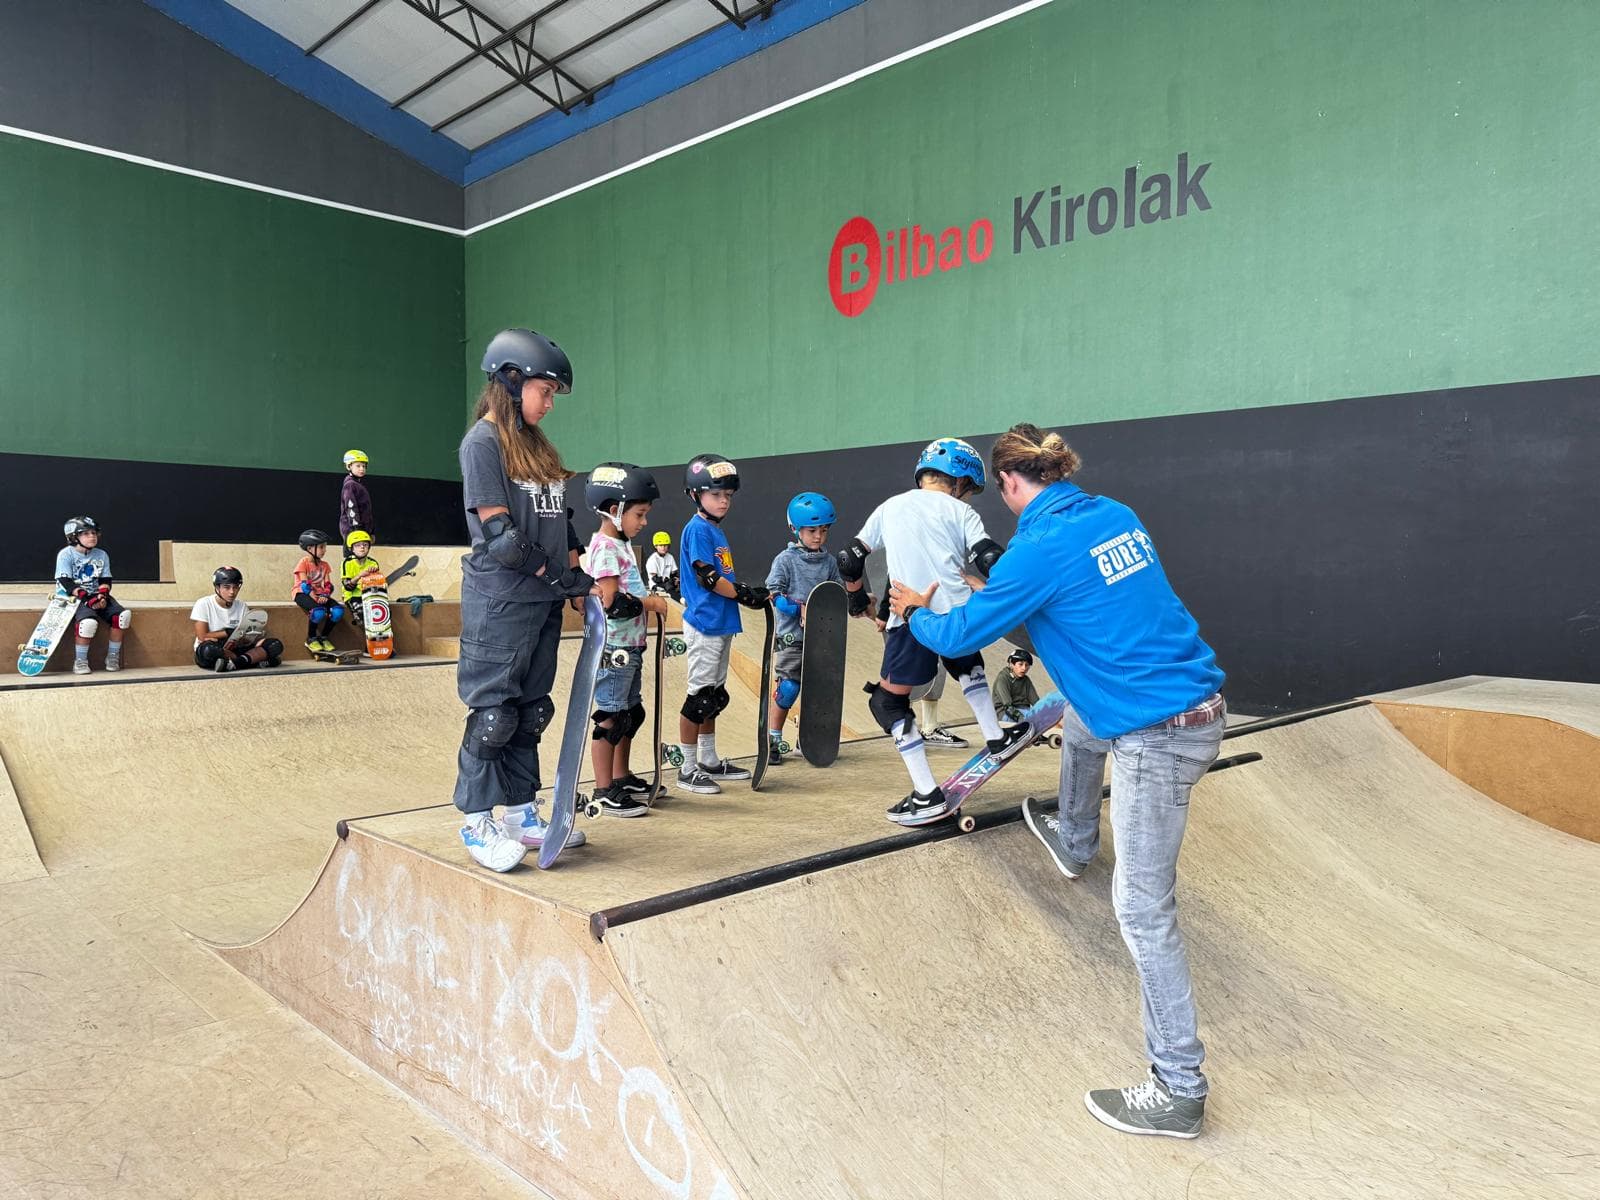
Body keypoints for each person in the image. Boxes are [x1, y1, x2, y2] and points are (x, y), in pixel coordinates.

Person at [888, 422, 1226, 1140]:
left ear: (1010, 483)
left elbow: (958, 636)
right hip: (1196, 704)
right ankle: (1073, 837)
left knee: (1142, 910)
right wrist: (1000, 589)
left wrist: (914, 609)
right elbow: (1069, 604)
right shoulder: (1114, 515)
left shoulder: (1036, 550)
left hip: (1156, 738)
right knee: (1076, 715)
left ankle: (1179, 1088)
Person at [453, 328, 595, 872]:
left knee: (530, 711)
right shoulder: (482, 443)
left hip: (541, 601)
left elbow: (561, 519)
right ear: (512, 381)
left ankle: (518, 812)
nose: (550, 402)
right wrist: (560, 578)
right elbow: (502, 538)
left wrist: (576, 573)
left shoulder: (535, 445)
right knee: (493, 714)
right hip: (501, 601)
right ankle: (476, 822)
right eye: (546, 390)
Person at [839, 438, 1024, 824]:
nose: (967, 497)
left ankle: (927, 793)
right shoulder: (962, 511)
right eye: (969, 490)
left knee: (887, 704)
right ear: (960, 481)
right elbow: (990, 557)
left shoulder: (890, 507)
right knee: (966, 662)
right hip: (959, 614)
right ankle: (996, 737)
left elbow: (850, 558)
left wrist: (856, 599)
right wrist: (1009, 593)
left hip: (910, 619)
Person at [676, 452, 769, 794]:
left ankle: (708, 759)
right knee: (699, 697)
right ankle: (687, 768)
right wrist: (743, 594)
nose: (724, 501)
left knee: (714, 697)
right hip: (705, 621)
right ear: (695, 495)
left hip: (721, 621)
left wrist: (745, 593)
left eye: (727, 495)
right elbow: (708, 577)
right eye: (716, 494)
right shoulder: (698, 529)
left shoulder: (713, 529)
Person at [585, 462, 671, 816]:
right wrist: (651, 603)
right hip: (615, 648)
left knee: (629, 714)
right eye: (640, 514)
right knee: (610, 717)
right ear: (614, 510)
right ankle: (603, 788)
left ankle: (621, 777)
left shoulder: (620, 544)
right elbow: (612, 602)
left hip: (631, 645)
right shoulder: (605, 547)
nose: (644, 522)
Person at [763, 492, 844, 764]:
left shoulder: (829, 562)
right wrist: (800, 609)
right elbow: (774, 594)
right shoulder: (785, 560)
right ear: (796, 529)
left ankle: (807, 737)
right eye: (812, 531)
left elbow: (837, 593)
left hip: (822, 640)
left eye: (824, 530)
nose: (818, 537)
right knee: (788, 688)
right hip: (792, 638)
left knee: (819, 691)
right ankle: (773, 739)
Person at [56, 516, 131, 674]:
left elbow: (105, 580)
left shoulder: (101, 555)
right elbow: (66, 583)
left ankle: (112, 657)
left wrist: (102, 596)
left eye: (94, 533)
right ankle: (80, 661)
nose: (92, 536)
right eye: (86, 533)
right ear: (73, 537)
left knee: (122, 617)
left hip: (95, 594)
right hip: (74, 597)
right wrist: (88, 600)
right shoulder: (66, 554)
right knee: (87, 624)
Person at [192, 566, 283, 671]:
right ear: (217, 587)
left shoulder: (241, 606)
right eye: (227, 587)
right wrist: (228, 632)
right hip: (217, 648)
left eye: (235, 587)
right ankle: (250, 661)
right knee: (208, 650)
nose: (232, 592)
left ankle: (234, 664)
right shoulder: (203, 604)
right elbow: (202, 636)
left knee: (275, 645)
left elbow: (246, 639)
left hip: (237, 647)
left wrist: (252, 637)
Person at [291, 529, 343, 653]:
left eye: (325, 547)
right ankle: (311, 638)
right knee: (318, 612)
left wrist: (325, 594)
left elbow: (328, 585)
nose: (324, 550)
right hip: (301, 593)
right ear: (309, 548)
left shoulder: (325, 565)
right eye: (321, 547)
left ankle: (323, 637)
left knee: (338, 611)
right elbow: (305, 585)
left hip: (319, 594)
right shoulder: (303, 563)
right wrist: (315, 598)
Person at [340, 529, 383, 626]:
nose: (362, 548)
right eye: (357, 545)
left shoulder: (373, 563)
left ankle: (380, 634)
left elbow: (377, 585)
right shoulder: (347, 563)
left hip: (369, 594)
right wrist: (359, 576)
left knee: (382, 614)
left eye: (365, 545)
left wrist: (374, 575)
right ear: (352, 549)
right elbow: (348, 587)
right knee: (362, 616)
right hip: (352, 596)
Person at [339, 450, 374, 554]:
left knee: (362, 559)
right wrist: (356, 529)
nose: (362, 469)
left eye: (364, 466)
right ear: (349, 466)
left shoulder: (358, 485)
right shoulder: (350, 485)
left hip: (362, 530)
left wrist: (371, 531)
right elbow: (351, 507)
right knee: (352, 559)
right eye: (358, 466)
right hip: (353, 531)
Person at [992, 647, 1040, 721]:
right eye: (1020, 664)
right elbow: (1008, 707)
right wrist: (1022, 719)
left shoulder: (1026, 680)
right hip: (1004, 712)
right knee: (1031, 721)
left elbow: (1036, 702)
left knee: (1041, 718)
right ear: (1011, 664)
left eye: (1027, 665)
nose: (1024, 668)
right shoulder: (1003, 679)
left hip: (1024, 710)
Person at [645, 530, 679, 600]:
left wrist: (676, 580)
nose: (663, 548)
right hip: (656, 584)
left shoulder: (670, 557)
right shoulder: (652, 559)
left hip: (668, 583)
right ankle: (680, 600)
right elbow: (655, 579)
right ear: (656, 546)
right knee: (669, 587)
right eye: (660, 545)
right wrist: (667, 581)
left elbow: (674, 573)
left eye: (665, 545)